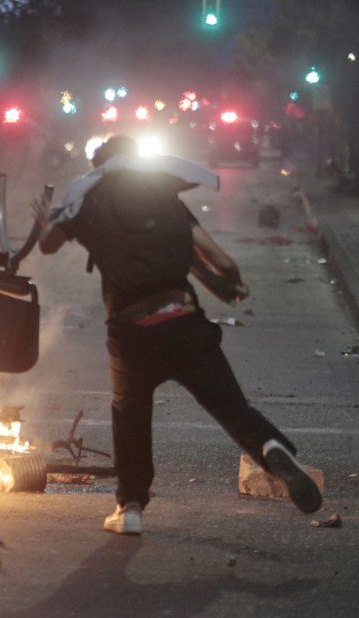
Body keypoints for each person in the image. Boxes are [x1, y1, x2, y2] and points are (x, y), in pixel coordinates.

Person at [33, 134, 321, 535]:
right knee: (230, 407)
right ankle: (270, 448)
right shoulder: (164, 196)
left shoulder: (89, 200)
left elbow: (47, 245)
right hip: (183, 321)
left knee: (130, 415)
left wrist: (46, 221)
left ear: (99, 165)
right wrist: (233, 285)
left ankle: (130, 507)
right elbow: (220, 261)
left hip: (130, 331)